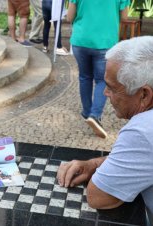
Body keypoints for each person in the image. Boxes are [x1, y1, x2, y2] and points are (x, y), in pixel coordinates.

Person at [57, 36, 153, 226]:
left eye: (111, 87)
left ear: (144, 94)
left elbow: (99, 197)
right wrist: (95, 163)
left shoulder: (143, 129)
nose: (105, 93)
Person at [67, 0, 130, 138]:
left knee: (85, 77)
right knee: (102, 80)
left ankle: (87, 111)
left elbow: (69, 16)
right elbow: (125, 17)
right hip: (105, 41)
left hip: (81, 39)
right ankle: (95, 115)